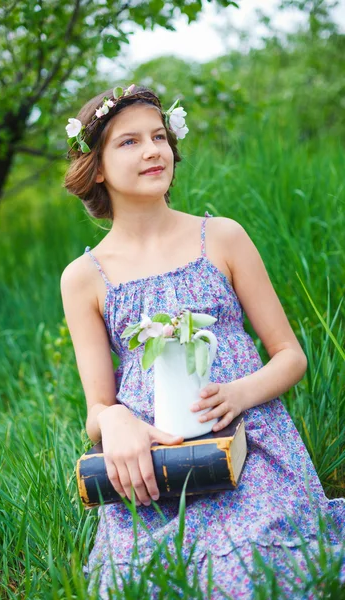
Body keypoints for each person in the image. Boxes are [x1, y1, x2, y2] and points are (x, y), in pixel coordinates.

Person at [60, 84, 345, 598]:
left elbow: (290, 356)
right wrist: (117, 419)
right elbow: (96, 407)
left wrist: (239, 393)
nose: (152, 151)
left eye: (159, 137)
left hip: (247, 447)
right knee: (153, 582)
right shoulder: (85, 277)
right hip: (154, 467)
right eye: (129, 142)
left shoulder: (221, 238)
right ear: (96, 166)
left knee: (262, 564)